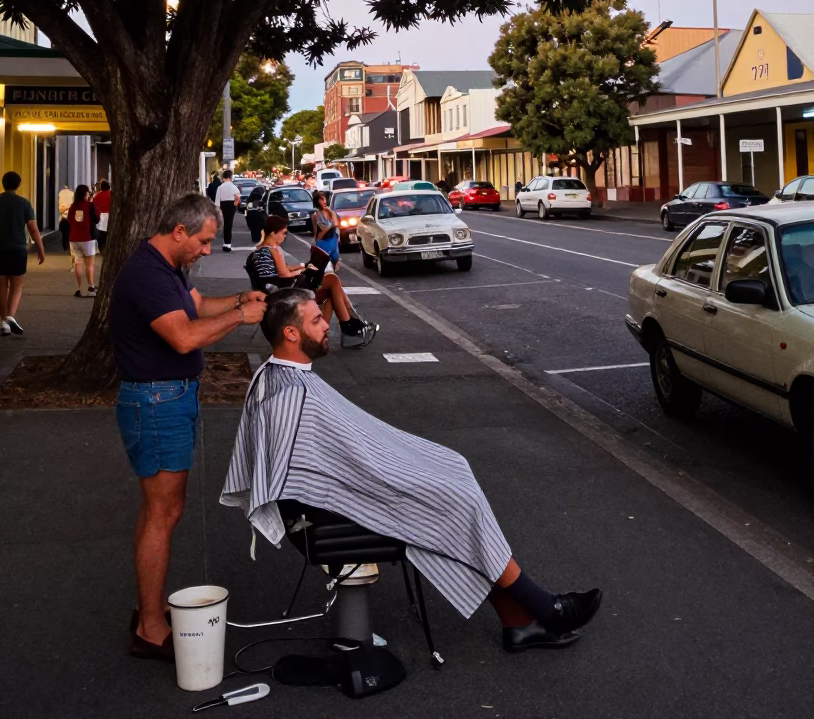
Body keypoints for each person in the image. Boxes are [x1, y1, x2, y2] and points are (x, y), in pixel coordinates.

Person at [222, 289, 602, 655]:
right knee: (456, 502)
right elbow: (315, 473)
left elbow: (343, 455)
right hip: (317, 518)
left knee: (453, 473)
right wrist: (410, 477)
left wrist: (412, 463)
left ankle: (519, 621)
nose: (328, 325)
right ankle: (544, 609)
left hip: (320, 504)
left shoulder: (274, 377)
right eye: (318, 319)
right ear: (291, 333)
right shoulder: (292, 396)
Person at [111, 192, 268, 661]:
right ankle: (152, 629)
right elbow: (182, 336)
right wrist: (242, 316)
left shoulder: (166, 268)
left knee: (159, 509)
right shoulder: (146, 273)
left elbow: (196, 307)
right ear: (179, 231)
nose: (206, 250)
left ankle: (150, 609)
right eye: (202, 241)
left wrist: (238, 298)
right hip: (157, 401)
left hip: (168, 397)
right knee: (164, 513)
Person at [246, 215, 375, 346]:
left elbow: (282, 270)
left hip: (278, 291)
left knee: (332, 293)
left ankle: (339, 329)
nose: (285, 237)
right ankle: (349, 325)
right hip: (286, 294)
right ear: (274, 233)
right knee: (332, 280)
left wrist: (304, 265)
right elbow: (284, 274)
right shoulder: (273, 250)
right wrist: (305, 271)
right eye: (284, 233)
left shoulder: (259, 251)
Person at [0, 171, 46, 336]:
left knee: (1, 285)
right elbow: (33, 229)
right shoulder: (24, 204)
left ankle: (4, 322)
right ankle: (10, 317)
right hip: (18, 248)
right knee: (16, 285)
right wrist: (40, 248)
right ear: (18, 184)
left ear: (2, 183)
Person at [67, 185, 99, 297]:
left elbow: (69, 220)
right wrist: (91, 202)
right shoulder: (89, 205)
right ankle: (91, 287)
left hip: (74, 238)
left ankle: (80, 289)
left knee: (78, 262)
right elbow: (96, 218)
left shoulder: (73, 206)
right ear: (85, 194)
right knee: (90, 263)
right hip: (87, 237)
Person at [311, 190, 341, 271]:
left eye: (324, 198)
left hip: (333, 240)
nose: (324, 201)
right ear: (317, 202)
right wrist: (314, 242)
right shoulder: (316, 215)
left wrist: (331, 212)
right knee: (322, 266)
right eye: (321, 199)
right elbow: (316, 231)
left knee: (335, 261)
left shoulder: (331, 212)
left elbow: (336, 225)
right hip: (323, 241)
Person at [215, 170, 240, 252]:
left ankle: (225, 243)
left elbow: (217, 201)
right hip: (231, 205)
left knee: (224, 224)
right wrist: (235, 205)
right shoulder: (233, 186)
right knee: (229, 224)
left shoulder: (220, 187)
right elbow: (237, 197)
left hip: (223, 205)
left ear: (223, 177)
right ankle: (228, 244)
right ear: (230, 177)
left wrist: (218, 209)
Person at [92, 180, 112, 253]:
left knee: (101, 236)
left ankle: (102, 249)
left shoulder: (96, 196)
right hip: (111, 216)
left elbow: (94, 207)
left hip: (100, 218)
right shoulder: (112, 194)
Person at [58, 183, 74, 268]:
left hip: (63, 218)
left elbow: (59, 206)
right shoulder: (72, 194)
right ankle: (69, 247)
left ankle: (65, 246)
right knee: (69, 233)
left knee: (64, 234)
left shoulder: (60, 193)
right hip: (69, 218)